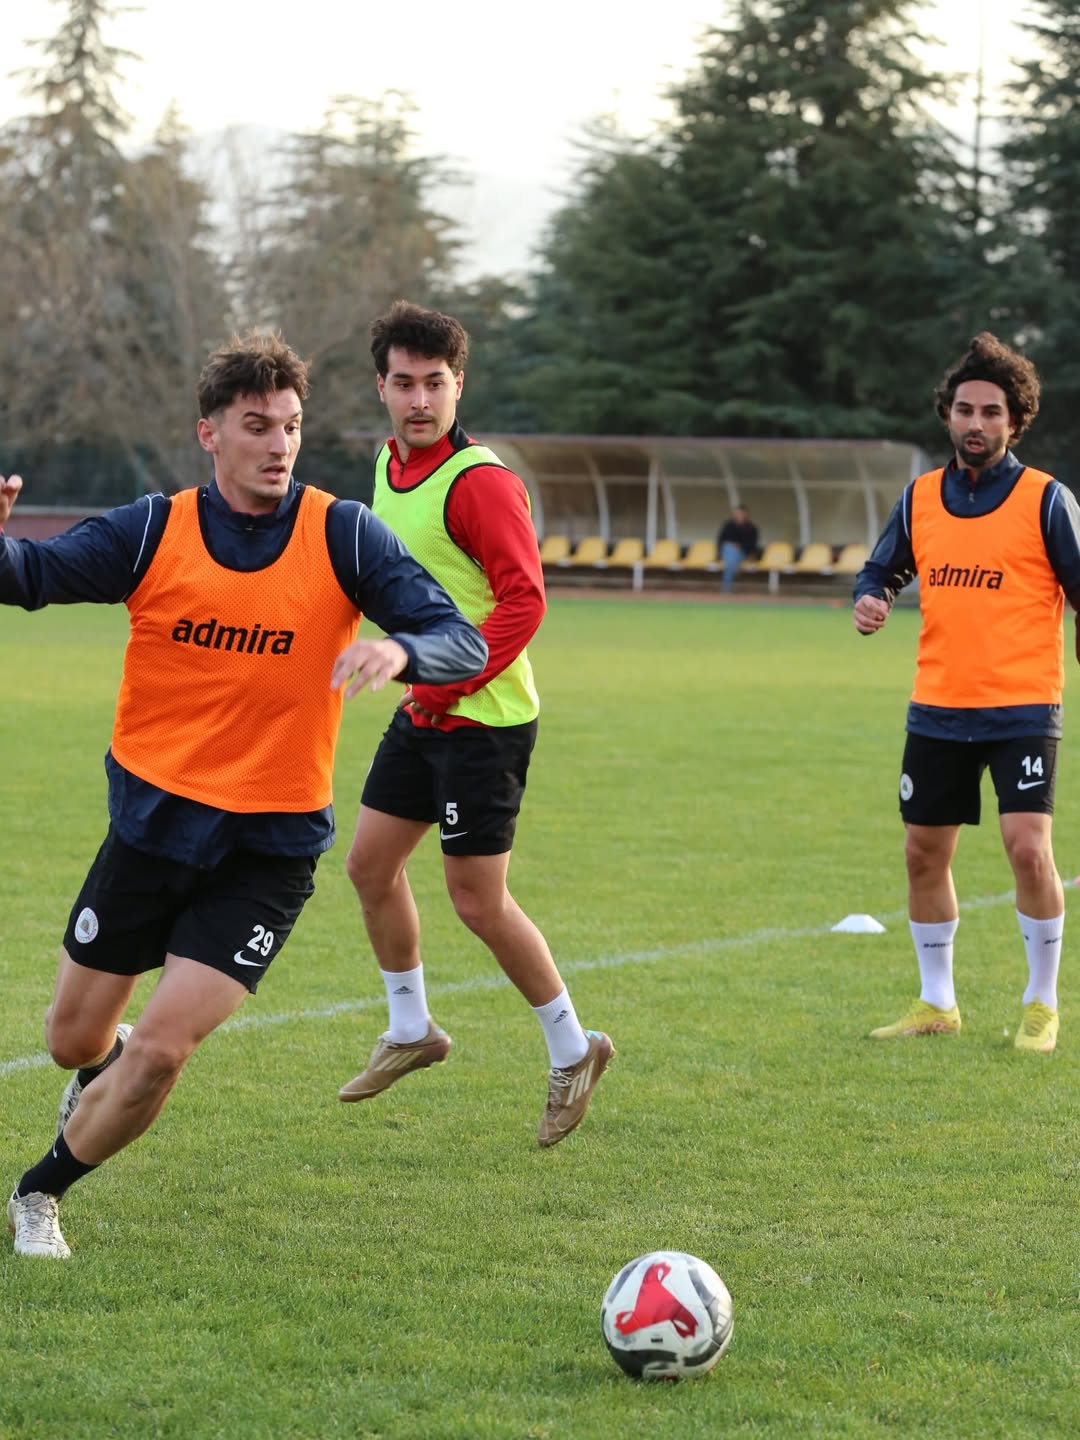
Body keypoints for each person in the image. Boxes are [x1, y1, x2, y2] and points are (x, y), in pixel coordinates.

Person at [3, 330, 488, 1259]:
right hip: (149, 831)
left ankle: (39, 1192)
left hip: (267, 852)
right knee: (74, 1041)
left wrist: (403, 649)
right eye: (257, 426)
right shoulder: (153, 529)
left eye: (292, 427)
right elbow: (30, 576)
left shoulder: (342, 532)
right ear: (209, 434)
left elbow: (457, 636)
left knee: (162, 1052)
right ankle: (91, 1079)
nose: (278, 445)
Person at [336, 300, 614, 1145]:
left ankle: (575, 1048)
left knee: (477, 900)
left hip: (484, 716)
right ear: (381, 387)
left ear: (461, 385)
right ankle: (411, 1028)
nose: (419, 401)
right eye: (403, 384)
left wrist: (445, 678)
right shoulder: (388, 467)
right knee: (369, 866)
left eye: (435, 384)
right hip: (426, 707)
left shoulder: (482, 483)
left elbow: (524, 602)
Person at [853, 331, 1080, 1054]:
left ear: (1015, 421)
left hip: (1022, 705)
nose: (976, 424)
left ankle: (1041, 1003)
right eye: (964, 410)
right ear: (946, 416)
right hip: (940, 707)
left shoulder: (1047, 499)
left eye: (991, 412)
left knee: (1027, 849)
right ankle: (936, 1002)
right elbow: (882, 568)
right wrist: (872, 599)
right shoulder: (920, 497)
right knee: (923, 852)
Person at [717, 505, 759, 593]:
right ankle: (734, 568)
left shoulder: (751, 528)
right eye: (737, 513)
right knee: (730, 552)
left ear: (746, 514)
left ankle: (726, 590)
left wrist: (739, 546)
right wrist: (730, 546)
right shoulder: (728, 525)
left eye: (741, 513)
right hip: (726, 552)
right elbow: (721, 540)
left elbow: (752, 545)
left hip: (742, 553)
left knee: (730, 560)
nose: (739, 515)